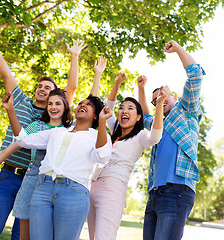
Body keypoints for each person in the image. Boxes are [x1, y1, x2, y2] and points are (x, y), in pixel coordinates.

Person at [0, 29, 87, 239]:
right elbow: (6, 74)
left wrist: (74, 56)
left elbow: (72, 87)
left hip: (36, 180)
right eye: (39, 86)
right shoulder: (20, 101)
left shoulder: (56, 118)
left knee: (21, 235)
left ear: (57, 97)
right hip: (9, 174)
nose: (42, 89)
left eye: (48, 87)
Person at [12, 93, 112, 240]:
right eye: (80, 103)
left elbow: (102, 156)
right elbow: (23, 140)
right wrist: (10, 110)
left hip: (73, 192)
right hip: (43, 189)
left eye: (88, 105)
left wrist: (103, 122)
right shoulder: (58, 131)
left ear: (96, 116)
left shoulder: (97, 136)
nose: (82, 105)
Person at [87, 72, 169, 240]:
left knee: (104, 237)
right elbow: (108, 106)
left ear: (138, 117)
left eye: (130, 108)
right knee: (93, 236)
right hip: (93, 186)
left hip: (113, 188)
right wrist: (116, 83)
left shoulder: (140, 136)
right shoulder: (115, 130)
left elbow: (156, 136)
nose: (124, 111)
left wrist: (159, 104)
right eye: (122, 108)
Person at [138, 40, 206, 240]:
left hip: (177, 191)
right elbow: (144, 116)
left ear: (174, 96)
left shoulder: (187, 111)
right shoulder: (157, 125)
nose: (160, 99)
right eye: (156, 99)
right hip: (155, 194)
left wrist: (177, 48)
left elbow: (195, 75)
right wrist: (142, 89)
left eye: (162, 94)